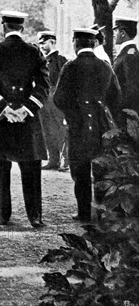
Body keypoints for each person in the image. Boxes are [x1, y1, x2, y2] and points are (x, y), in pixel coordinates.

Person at [0, 10, 49, 228]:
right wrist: (26, 109)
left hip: (1, 119)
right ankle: (34, 216)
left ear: (3, 27)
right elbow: (44, 86)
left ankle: (2, 215)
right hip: (27, 120)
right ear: (22, 28)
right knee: (31, 167)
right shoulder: (34, 52)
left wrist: (5, 109)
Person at [54, 28, 121, 222]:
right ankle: (101, 211)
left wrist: (72, 115)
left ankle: (83, 212)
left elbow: (59, 98)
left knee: (80, 170)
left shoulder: (70, 67)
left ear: (75, 43)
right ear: (93, 44)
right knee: (101, 169)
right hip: (101, 126)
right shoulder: (105, 67)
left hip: (78, 126)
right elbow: (116, 97)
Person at [37, 30, 69, 172]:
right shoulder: (41, 61)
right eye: (40, 43)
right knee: (47, 130)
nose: (42, 46)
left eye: (44, 43)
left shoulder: (61, 60)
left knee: (60, 131)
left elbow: (66, 83)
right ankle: (53, 160)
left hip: (56, 101)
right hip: (44, 101)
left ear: (53, 42)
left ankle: (65, 161)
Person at [112, 16, 139, 120]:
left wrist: (122, 113)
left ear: (123, 33)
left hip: (125, 115)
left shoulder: (129, 55)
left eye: (116, 31)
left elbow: (132, 88)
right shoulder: (128, 52)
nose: (114, 35)